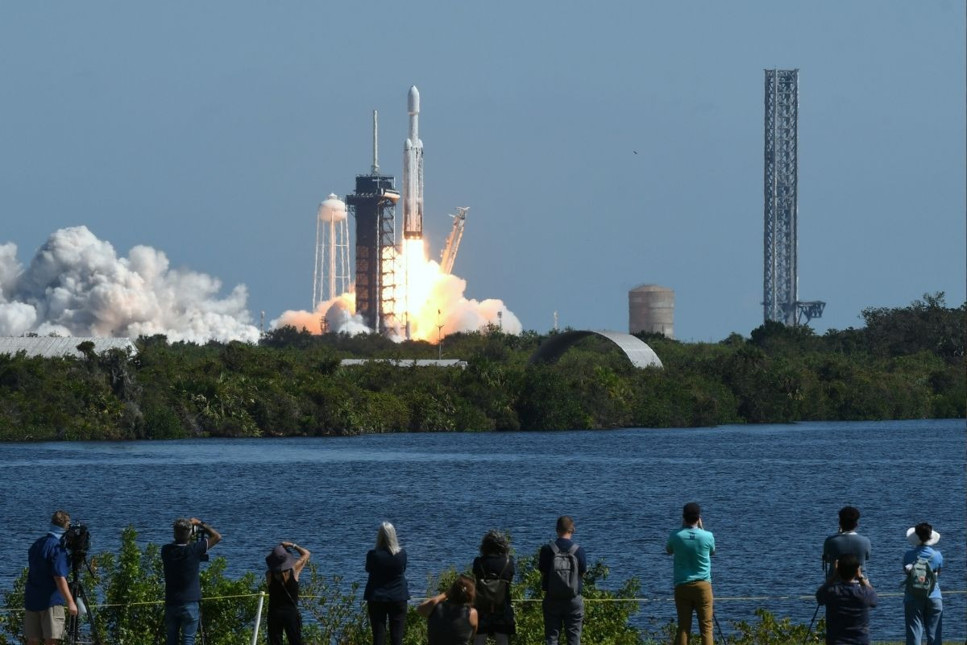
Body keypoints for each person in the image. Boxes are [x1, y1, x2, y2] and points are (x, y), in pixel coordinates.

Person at [161, 517, 222, 645]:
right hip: (190, 602)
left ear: (174, 533)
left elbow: (177, 544)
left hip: (171, 602)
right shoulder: (194, 550)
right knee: (188, 640)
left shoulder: (166, 550)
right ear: (190, 533)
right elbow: (216, 536)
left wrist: (186, 534)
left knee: (171, 640)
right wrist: (200, 524)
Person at [24, 511, 78, 645]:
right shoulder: (57, 548)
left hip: (32, 598)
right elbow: (59, 577)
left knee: (33, 639)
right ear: (66, 527)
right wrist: (70, 602)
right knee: (51, 639)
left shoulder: (37, 544)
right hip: (51, 601)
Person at [665, 502, 715, 645]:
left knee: (683, 628)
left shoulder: (676, 535)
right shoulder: (708, 536)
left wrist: (682, 528)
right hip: (703, 586)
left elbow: (668, 550)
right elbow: (712, 551)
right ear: (699, 517)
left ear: (683, 517)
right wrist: (702, 528)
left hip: (682, 585)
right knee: (706, 627)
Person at [538, 515, 587, 645]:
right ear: (572, 530)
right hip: (573, 599)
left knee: (552, 638)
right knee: (574, 638)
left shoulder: (547, 549)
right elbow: (582, 572)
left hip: (552, 598)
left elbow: (543, 571)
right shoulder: (578, 550)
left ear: (557, 530)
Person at [364, 522, 410, 645]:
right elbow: (403, 569)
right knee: (397, 637)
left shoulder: (373, 555)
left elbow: (368, 569)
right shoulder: (401, 554)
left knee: (378, 636)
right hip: (398, 596)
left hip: (377, 597)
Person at [815, 554, 878, 644]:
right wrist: (860, 577)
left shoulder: (832, 592)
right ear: (856, 570)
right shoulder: (862, 593)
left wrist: (834, 576)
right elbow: (874, 598)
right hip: (859, 641)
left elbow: (819, 597)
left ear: (838, 571)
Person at [471, 530, 516, 645]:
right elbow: (509, 580)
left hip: (482, 606)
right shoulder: (508, 562)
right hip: (502, 605)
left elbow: (476, 577)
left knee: (479, 639)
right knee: (502, 639)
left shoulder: (479, 562)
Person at [902, 522, 943, 645]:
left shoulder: (908, 555)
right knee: (935, 635)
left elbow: (906, 573)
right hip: (934, 595)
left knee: (914, 632)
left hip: (912, 596)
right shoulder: (937, 555)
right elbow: (938, 574)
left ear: (916, 537)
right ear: (931, 536)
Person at [265, 541, 311, 645]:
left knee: (274, 642)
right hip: (291, 613)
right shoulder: (294, 571)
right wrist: (292, 545)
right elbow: (306, 553)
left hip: (274, 613)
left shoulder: (269, 575)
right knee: (295, 642)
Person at [418, 575, 479, 645]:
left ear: (452, 591)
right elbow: (472, 635)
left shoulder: (435, 608)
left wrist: (446, 594)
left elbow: (420, 610)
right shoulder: (472, 613)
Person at [823, 506, 871, 579]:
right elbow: (866, 557)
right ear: (856, 523)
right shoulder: (865, 541)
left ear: (840, 523)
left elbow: (828, 560)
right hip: (860, 582)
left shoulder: (830, 541)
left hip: (835, 583)